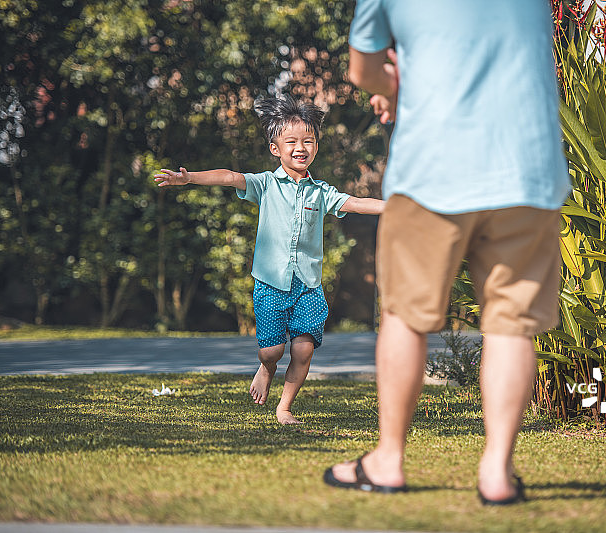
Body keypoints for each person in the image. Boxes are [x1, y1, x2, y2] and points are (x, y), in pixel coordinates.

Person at [323, 0, 571, 504]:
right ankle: (497, 474)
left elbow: (362, 68)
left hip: (433, 169)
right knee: (511, 324)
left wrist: (395, 89)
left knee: (404, 317)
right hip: (527, 166)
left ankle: (388, 460)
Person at [154, 96, 384, 425]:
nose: (300, 147)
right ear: (276, 148)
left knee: (304, 349)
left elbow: (358, 203)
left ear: (316, 146)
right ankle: (266, 368)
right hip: (271, 284)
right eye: (291, 141)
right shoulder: (266, 184)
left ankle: (284, 407)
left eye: (308, 141)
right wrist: (189, 178)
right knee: (272, 351)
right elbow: (229, 177)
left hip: (307, 285)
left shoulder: (321, 192)